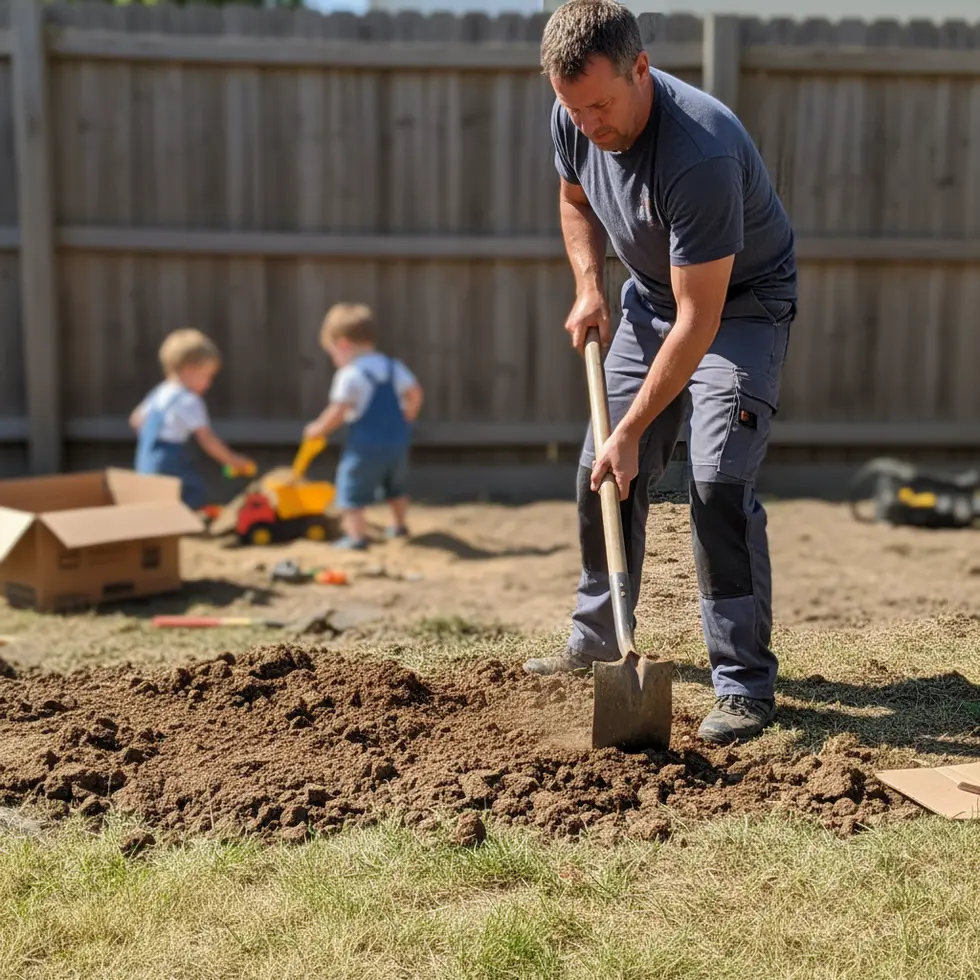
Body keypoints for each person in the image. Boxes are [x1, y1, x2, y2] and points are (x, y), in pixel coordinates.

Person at [523, 0, 798, 746]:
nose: (588, 123)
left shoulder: (699, 152)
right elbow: (574, 197)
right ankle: (600, 636)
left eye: (601, 105)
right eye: (573, 108)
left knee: (716, 483)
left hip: (737, 307)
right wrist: (588, 284)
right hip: (649, 301)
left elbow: (699, 323)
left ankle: (742, 684)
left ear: (641, 69)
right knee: (600, 469)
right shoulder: (574, 114)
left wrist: (635, 430)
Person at [304, 302, 424, 551]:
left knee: (351, 489)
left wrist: (318, 428)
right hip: (397, 443)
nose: (335, 360)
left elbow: (339, 410)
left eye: (333, 353)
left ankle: (356, 538)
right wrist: (408, 415)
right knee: (396, 488)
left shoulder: (350, 374)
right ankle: (399, 526)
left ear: (344, 345)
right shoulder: (393, 367)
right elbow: (415, 393)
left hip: (365, 447)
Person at [130, 328, 254, 511]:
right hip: (169, 460)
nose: (209, 383)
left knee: (154, 501)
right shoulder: (189, 401)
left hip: (145, 459)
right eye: (207, 376)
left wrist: (151, 439)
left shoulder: (159, 393)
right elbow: (207, 440)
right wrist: (233, 460)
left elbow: (135, 420)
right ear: (189, 370)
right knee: (192, 491)